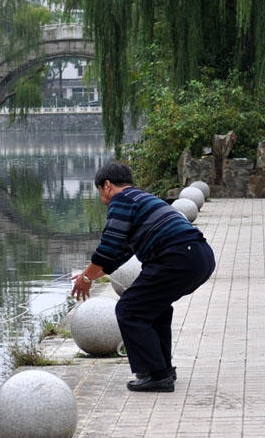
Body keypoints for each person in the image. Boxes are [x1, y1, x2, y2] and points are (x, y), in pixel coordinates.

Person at [72, 162, 215, 392]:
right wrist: (89, 276)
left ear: (107, 185)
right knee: (154, 308)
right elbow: (119, 253)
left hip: (178, 256)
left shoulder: (122, 200)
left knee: (129, 310)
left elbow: (108, 247)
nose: (103, 199)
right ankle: (163, 369)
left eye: (100, 192)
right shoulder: (140, 199)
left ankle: (156, 376)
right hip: (199, 256)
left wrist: (86, 278)